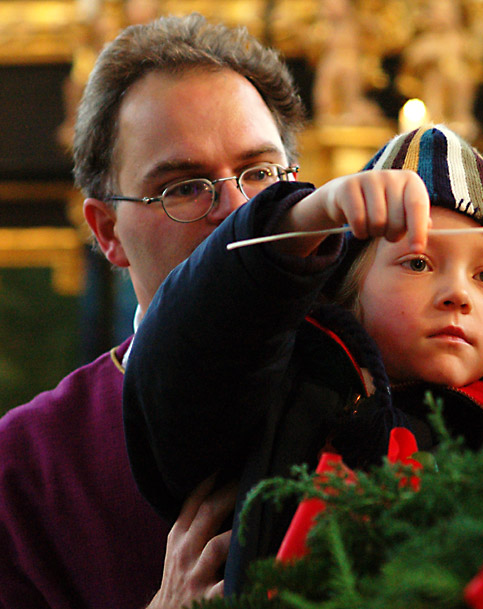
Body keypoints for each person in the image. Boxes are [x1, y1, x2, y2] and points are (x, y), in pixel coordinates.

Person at [123, 124, 483, 596]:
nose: (458, 294)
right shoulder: (287, 389)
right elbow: (181, 363)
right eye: (418, 262)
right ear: (349, 286)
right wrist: (302, 221)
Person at [0, 13, 305, 609]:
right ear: (108, 230)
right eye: (184, 187)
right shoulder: (25, 467)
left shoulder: (391, 386)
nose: (238, 211)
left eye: (260, 173)